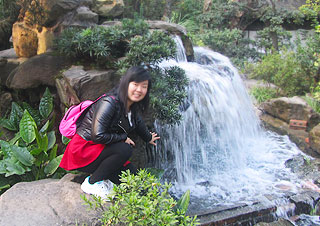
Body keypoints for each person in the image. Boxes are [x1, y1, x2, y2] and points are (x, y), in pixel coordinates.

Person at [59, 66, 160, 198]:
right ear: (126, 83)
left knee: (135, 180)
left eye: (144, 86)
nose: (139, 90)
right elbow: (98, 135)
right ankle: (92, 183)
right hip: (84, 150)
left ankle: (102, 178)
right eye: (135, 84)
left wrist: (148, 138)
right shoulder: (109, 102)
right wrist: (122, 137)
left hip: (101, 150)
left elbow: (138, 122)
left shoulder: (131, 104)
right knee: (125, 149)